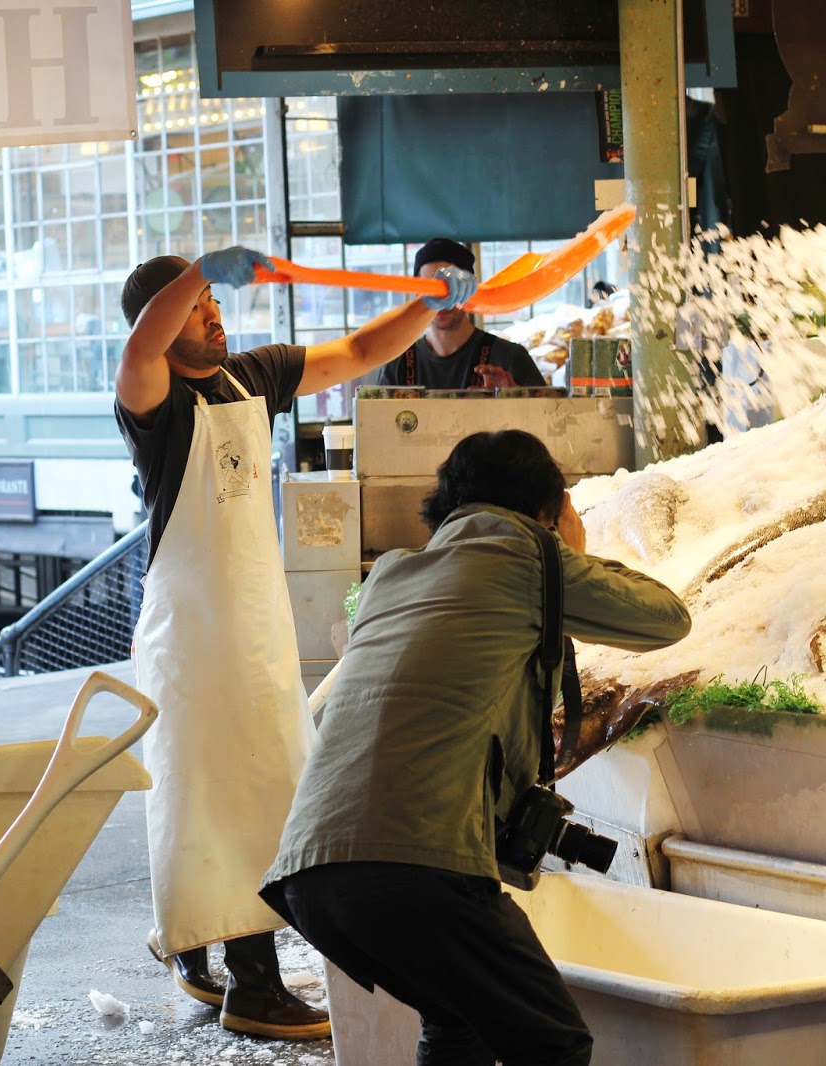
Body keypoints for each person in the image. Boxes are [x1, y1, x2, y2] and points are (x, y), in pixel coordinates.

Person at [115, 245, 478, 1040]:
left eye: (214, 303)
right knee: (215, 797)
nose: (213, 315)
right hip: (192, 635)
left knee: (241, 794)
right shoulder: (153, 399)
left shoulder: (253, 375)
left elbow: (358, 351)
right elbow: (140, 349)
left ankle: (191, 949)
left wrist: (429, 303)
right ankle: (253, 987)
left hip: (253, 623)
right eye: (197, 308)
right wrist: (198, 271)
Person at [259, 429, 692, 1066]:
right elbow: (667, 617)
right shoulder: (528, 560)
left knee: (456, 1018)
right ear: (547, 508)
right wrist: (565, 551)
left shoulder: (390, 574)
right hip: (417, 865)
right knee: (553, 1042)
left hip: (311, 873)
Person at [377, 238, 545, 389]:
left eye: (450, 287)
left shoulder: (508, 358)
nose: (442, 300)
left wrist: (515, 398)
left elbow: (548, 411)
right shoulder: (398, 363)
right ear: (416, 294)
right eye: (429, 288)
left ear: (470, 290)